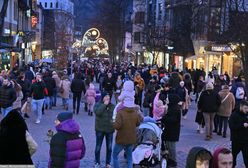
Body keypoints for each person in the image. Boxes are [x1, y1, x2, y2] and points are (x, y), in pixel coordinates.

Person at [113, 98, 143, 168]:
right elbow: (138, 123)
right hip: (131, 138)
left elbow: (117, 126)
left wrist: (113, 122)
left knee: (115, 155)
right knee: (129, 158)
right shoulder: (135, 112)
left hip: (121, 139)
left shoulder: (120, 112)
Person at [94, 92, 115, 168]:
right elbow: (98, 112)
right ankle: (97, 162)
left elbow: (114, 116)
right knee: (98, 147)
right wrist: (104, 105)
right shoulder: (98, 105)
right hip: (100, 129)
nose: (107, 99)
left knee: (109, 148)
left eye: (108, 97)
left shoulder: (112, 106)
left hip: (109, 130)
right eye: (106, 97)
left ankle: (108, 163)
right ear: (102, 98)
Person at [161, 94, 181, 167]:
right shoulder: (172, 107)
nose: (166, 99)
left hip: (172, 131)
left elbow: (172, 120)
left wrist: (164, 118)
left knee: (171, 147)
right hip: (170, 130)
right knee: (169, 146)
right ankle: (170, 159)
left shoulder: (175, 109)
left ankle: (173, 161)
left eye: (168, 98)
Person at [229, 100, 248, 167]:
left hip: (246, 141)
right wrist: (242, 125)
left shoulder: (246, 115)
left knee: (246, 157)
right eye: (245, 108)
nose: (247, 110)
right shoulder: (234, 115)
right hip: (236, 140)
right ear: (241, 107)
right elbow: (232, 127)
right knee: (233, 156)